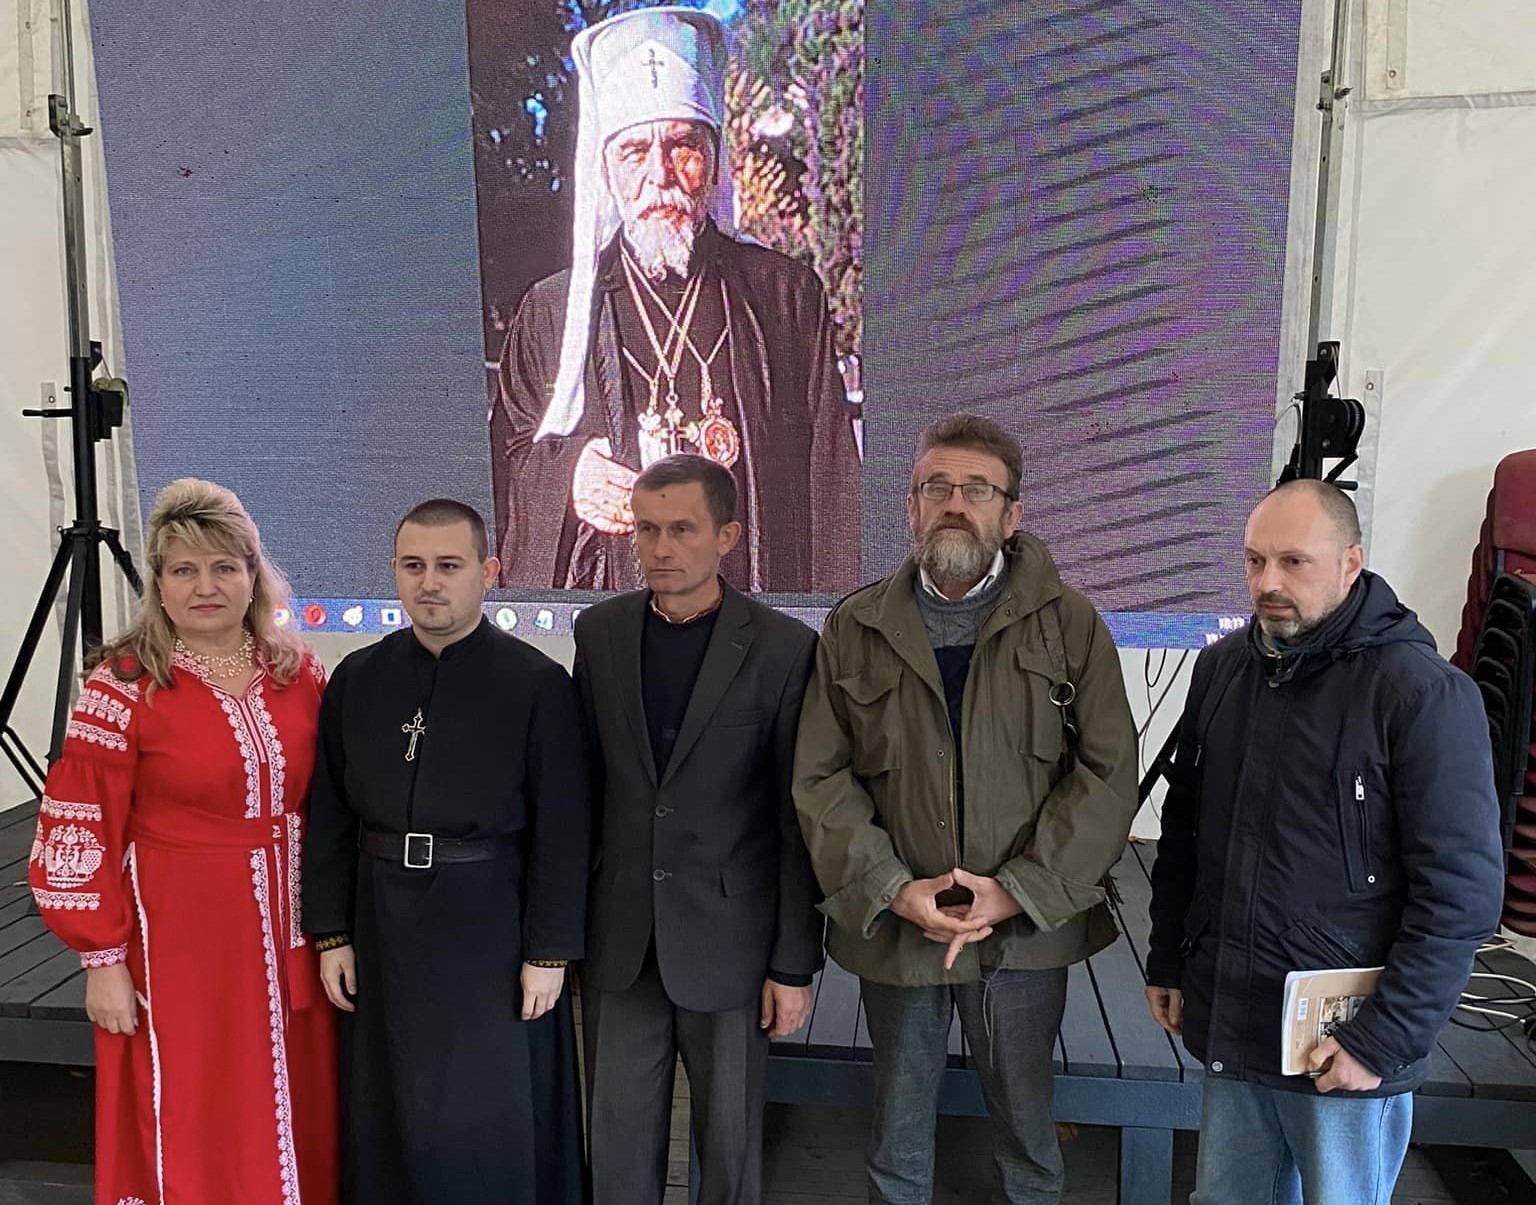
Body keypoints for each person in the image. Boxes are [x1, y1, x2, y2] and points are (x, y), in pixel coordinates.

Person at [794, 415, 1139, 1204]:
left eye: (978, 489)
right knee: (896, 1139)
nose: (955, 503)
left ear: (1012, 514)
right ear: (911, 507)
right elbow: (821, 777)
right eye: (937, 487)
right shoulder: (854, 626)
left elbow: (1107, 772)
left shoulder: (1071, 625)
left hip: (1022, 933)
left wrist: (1017, 890)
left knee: (1028, 1134)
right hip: (903, 926)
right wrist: (892, 888)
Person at [1145, 479, 1505, 1205]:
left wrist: (1382, 1039)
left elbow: (1461, 895)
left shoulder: (1422, 694)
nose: (1266, 583)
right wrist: (1168, 958)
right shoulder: (1222, 669)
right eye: (1254, 561)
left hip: (1347, 1043)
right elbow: (1185, 832)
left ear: (1351, 563)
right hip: (1237, 1019)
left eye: (1293, 562)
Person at [28, 478, 338, 1205]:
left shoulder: (298, 672)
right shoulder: (124, 685)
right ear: (158, 583)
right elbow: (77, 824)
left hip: (290, 932)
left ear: (253, 575)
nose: (206, 587)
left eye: (224, 567)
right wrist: (102, 960)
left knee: (296, 1099)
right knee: (196, 1103)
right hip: (179, 945)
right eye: (184, 570)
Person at [490, 5, 860, 593]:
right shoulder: (550, 313)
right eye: (635, 152)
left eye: (683, 146)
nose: (660, 174)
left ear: (714, 162)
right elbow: (502, 461)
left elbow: (834, 488)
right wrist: (568, 476)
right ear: (606, 171)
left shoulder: (786, 297)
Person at [301, 499, 590, 1205]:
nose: (429, 582)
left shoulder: (535, 683)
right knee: (389, 1101)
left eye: (448, 566)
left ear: (488, 573)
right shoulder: (357, 678)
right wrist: (332, 933)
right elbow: (330, 812)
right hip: (381, 918)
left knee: (487, 1109)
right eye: (413, 565)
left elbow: (564, 826)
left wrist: (549, 952)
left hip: (490, 923)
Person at [572, 453, 823, 1205]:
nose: (660, 548)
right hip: (621, 942)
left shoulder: (783, 648)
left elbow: (795, 819)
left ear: (727, 536)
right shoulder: (600, 633)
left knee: (730, 1156)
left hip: (731, 947)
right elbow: (583, 793)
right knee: (615, 1157)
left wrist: (792, 963)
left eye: (682, 529)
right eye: (646, 529)